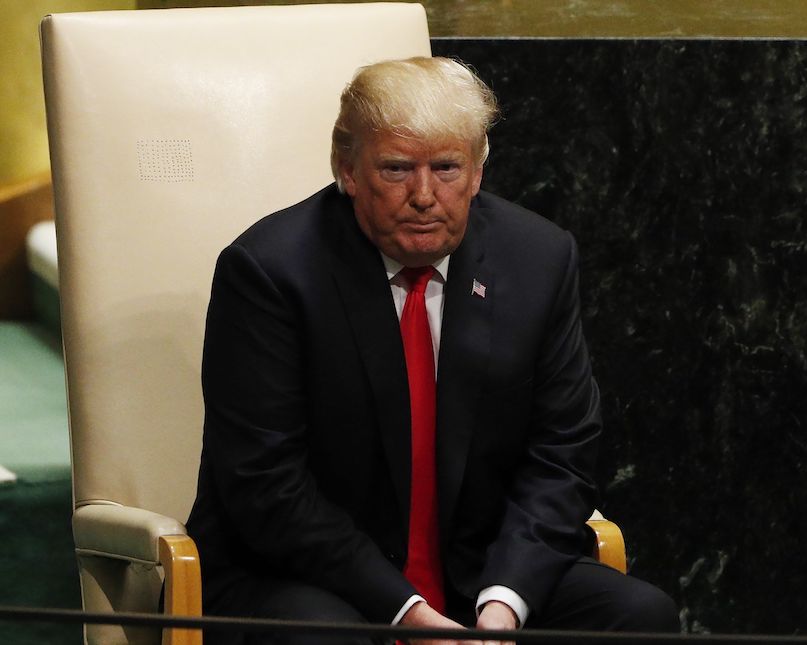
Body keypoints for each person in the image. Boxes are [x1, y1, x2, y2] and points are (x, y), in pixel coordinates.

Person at [185, 56, 677, 645]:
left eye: (446, 167)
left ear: (478, 171)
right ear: (347, 169)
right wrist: (408, 612)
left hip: (478, 571)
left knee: (638, 617)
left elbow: (563, 453)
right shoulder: (270, 273)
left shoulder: (538, 259)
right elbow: (266, 486)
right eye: (396, 169)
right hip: (309, 576)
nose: (424, 195)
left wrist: (504, 606)